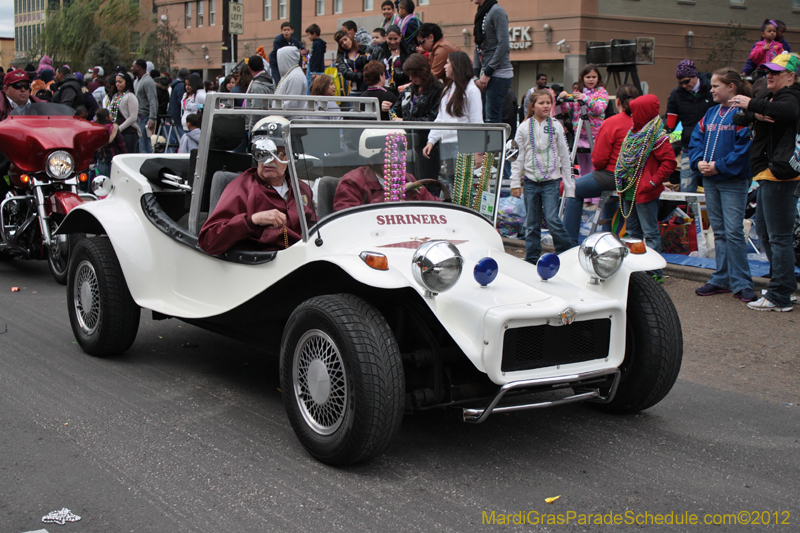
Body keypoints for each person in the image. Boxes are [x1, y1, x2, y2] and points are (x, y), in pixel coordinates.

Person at [731, 52, 800, 312]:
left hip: (781, 175)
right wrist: (756, 113)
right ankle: (782, 287)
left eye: (775, 72)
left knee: (778, 237)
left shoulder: (791, 95)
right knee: (768, 235)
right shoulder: (771, 98)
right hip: (768, 175)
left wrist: (753, 106)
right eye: (767, 71)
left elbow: (789, 110)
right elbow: (739, 116)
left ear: (791, 76)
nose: (768, 75)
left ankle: (780, 294)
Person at [198, 117, 317, 255]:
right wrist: (252, 220)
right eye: (263, 152)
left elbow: (317, 230)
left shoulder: (301, 189)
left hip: (302, 261)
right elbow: (208, 241)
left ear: (291, 156)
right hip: (262, 266)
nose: (269, 160)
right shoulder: (241, 188)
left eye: (278, 153)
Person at [688, 68, 755, 302]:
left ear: (731, 87)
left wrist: (719, 166)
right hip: (710, 180)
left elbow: (744, 149)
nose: (712, 89)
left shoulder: (743, 113)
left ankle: (742, 282)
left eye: (716, 86)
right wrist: (699, 163)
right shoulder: (710, 113)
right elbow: (696, 139)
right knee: (720, 231)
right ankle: (721, 278)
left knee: (734, 232)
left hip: (733, 181)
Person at [564, 84, 640, 246]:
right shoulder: (645, 122)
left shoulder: (611, 122)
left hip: (612, 174)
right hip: (637, 176)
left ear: (617, 101)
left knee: (573, 189)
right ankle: (608, 235)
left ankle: (568, 242)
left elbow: (598, 158)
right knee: (607, 194)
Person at [615, 94, 677, 283]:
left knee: (650, 233)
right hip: (628, 191)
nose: (632, 116)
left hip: (644, 193)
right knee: (633, 234)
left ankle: (654, 273)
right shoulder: (633, 133)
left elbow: (669, 162)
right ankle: (636, 271)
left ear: (643, 113)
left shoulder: (657, 137)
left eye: (634, 112)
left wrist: (652, 183)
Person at [510, 90, 573, 265]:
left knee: (553, 219)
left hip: (551, 182)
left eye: (548, 103)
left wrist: (569, 186)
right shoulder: (523, 127)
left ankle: (566, 253)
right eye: (541, 103)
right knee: (532, 223)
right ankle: (531, 258)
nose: (546, 106)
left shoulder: (556, 126)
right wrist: (516, 183)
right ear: (532, 106)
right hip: (530, 182)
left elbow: (565, 155)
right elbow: (517, 156)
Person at [333, 129, 439, 211]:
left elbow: (436, 206)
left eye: (400, 153)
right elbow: (348, 223)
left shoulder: (407, 178)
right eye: (389, 155)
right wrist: (396, 196)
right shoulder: (352, 182)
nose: (396, 160)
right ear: (372, 161)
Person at [422, 51, 484, 187]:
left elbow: (477, 122)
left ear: (457, 66)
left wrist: (478, 151)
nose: (445, 66)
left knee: (462, 188)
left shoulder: (472, 90)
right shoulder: (448, 89)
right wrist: (431, 140)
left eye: (448, 63)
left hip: (462, 145)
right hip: (447, 144)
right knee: (452, 184)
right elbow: (441, 117)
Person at [390, 54, 444, 180]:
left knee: (426, 181)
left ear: (422, 72)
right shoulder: (408, 90)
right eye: (409, 75)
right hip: (405, 143)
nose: (411, 78)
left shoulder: (438, 90)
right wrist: (388, 109)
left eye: (413, 75)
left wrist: (405, 121)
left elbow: (433, 118)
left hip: (427, 144)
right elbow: (396, 111)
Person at [666, 59, 714, 193]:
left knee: (711, 186)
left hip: (711, 144)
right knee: (686, 187)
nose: (684, 85)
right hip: (689, 146)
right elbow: (670, 121)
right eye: (680, 82)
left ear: (695, 76)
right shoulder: (676, 94)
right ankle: (688, 212)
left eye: (686, 81)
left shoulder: (712, 89)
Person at [557, 64, 609, 177]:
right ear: (582, 78)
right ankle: (583, 192)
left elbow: (599, 109)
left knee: (594, 169)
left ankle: (594, 194)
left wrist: (585, 98)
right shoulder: (577, 92)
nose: (591, 79)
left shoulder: (601, 92)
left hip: (595, 137)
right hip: (579, 136)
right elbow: (566, 109)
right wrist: (562, 99)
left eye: (594, 77)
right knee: (583, 169)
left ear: (598, 78)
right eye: (588, 77)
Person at [371, 25, 411, 94]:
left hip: (403, 88)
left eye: (395, 39)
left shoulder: (408, 50)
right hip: (383, 89)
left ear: (400, 36)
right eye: (390, 39)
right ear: (386, 37)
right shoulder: (379, 51)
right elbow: (372, 69)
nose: (392, 42)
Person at [130, 59, 158, 154]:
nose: (131, 68)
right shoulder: (136, 82)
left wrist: (152, 118)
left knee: (144, 144)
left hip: (144, 117)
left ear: (138, 67)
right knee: (138, 144)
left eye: (133, 66)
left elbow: (153, 101)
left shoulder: (148, 82)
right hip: (137, 116)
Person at [109, 72, 140, 154]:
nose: (117, 84)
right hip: (116, 132)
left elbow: (133, 117)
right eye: (116, 82)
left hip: (128, 133)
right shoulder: (115, 96)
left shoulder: (130, 96)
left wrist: (120, 128)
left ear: (127, 82)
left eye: (120, 82)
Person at [245, 55, 275, 133]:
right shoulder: (271, 80)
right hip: (268, 123)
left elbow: (256, 110)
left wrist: (252, 128)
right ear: (263, 65)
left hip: (258, 127)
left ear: (249, 68)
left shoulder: (257, 85)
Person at [93, 108, 126, 177]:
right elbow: (120, 143)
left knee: (101, 174)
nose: (111, 115)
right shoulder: (114, 128)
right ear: (106, 118)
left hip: (101, 156)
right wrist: (124, 153)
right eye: (110, 114)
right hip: (113, 155)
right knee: (112, 174)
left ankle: (101, 186)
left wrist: (93, 158)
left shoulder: (96, 128)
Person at [336, 32, 369, 97]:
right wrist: (362, 75)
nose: (344, 43)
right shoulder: (342, 56)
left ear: (350, 38)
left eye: (345, 39)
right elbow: (345, 73)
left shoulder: (365, 49)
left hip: (368, 87)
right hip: (355, 90)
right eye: (341, 43)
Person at [166, 67, 189, 153]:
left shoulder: (175, 84)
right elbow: (181, 101)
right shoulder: (181, 85)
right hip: (178, 116)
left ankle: (171, 153)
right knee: (181, 138)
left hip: (172, 114)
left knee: (172, 139)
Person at [305, 24, 327, 94]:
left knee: (312, 87)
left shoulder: (317, 44)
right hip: (316, 69)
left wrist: (314, 71)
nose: (308, 37)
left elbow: (316, 58)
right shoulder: (317, 44)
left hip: (315, 70)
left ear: (314, 34)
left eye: (309, 35)